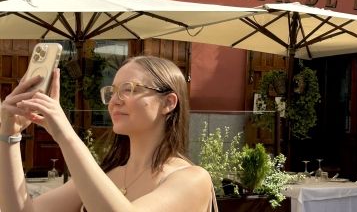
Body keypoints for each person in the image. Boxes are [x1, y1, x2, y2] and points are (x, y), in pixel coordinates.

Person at [0, 55, 217, 212]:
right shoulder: (106, 175)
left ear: (168, 102)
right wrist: (9, 135)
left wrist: (65, 134)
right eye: (112, 91)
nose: (115, 100)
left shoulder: (191, 179)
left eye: (129, 89)